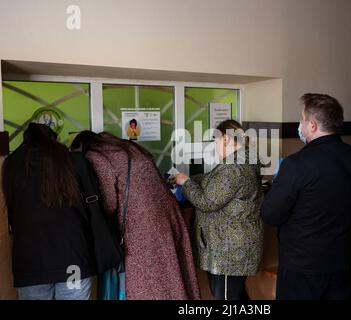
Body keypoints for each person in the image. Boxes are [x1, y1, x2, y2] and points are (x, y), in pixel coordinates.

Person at [261, 94, 351, 300]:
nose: (300, 125)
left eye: (302, 120)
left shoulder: (295, 165)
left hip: (301, 266)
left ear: (312, 125)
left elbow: (270, 214)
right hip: (341, 261)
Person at [71, 131, 200, 300]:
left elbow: (109, 204)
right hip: (169, 215)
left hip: (142, 227)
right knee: (173, 275)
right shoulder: (128, 147)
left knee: (148, 283)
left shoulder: (97, 156)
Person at [2, 123, 96, 300]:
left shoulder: (12, 165)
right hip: (73, 261)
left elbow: (12, 214)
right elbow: (90, 207)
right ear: (54, 140)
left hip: (30, 265)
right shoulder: (73, 161)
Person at [172, 119, 264, 300]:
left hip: (229, 250)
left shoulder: (233, 168)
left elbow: (207, 202)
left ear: (225, 139)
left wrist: (186, 182)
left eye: (215, 141)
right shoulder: (244, 159)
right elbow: (214, 180)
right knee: (234, 295)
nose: (215, 146)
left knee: (225, 297)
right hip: (234, 244)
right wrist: (190, 178)